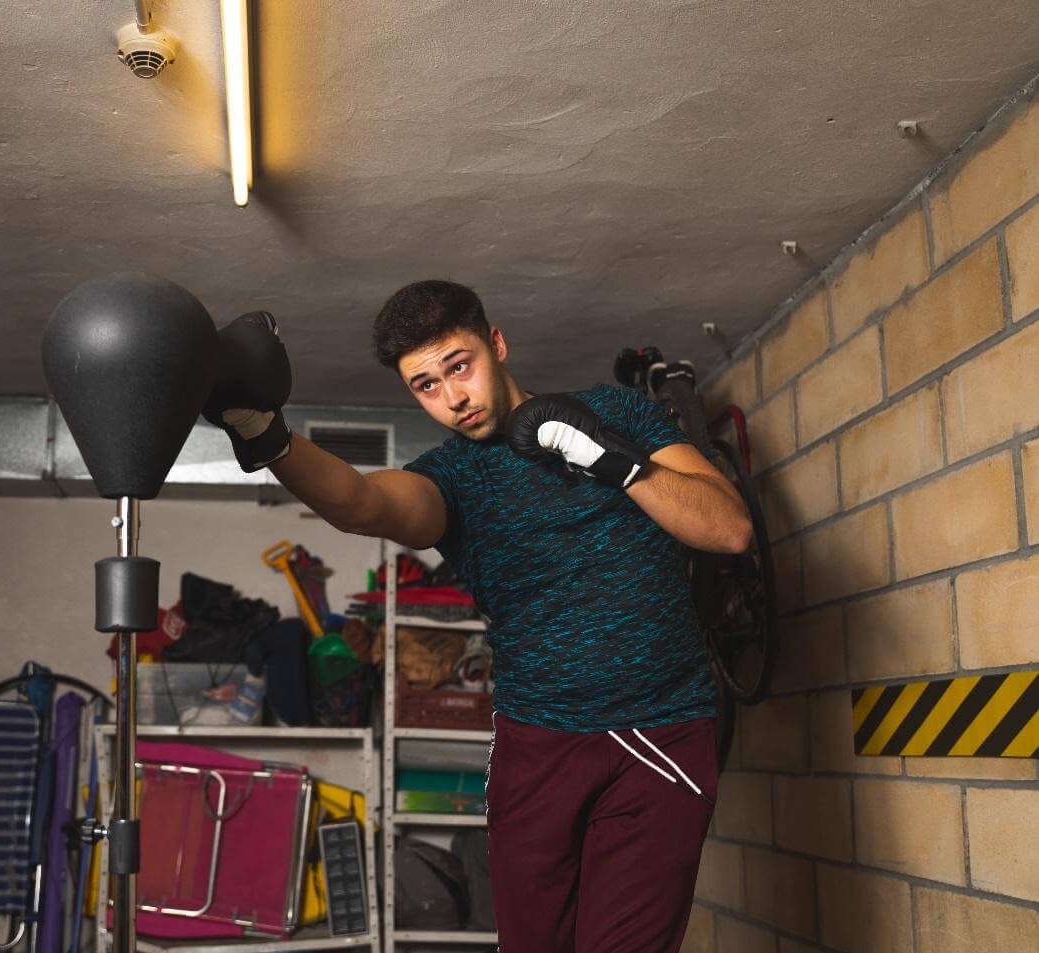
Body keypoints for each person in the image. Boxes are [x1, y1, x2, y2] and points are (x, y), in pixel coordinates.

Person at [205, 280, 753, 953]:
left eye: (458, 366)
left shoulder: (616, 412)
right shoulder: (452, 478)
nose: (452, 397)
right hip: (537, 745)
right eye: (425, 385)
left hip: (661, 732)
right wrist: (266, 436)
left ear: (496, 343)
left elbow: (729, 528)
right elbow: (361, 502)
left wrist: (609, 459)